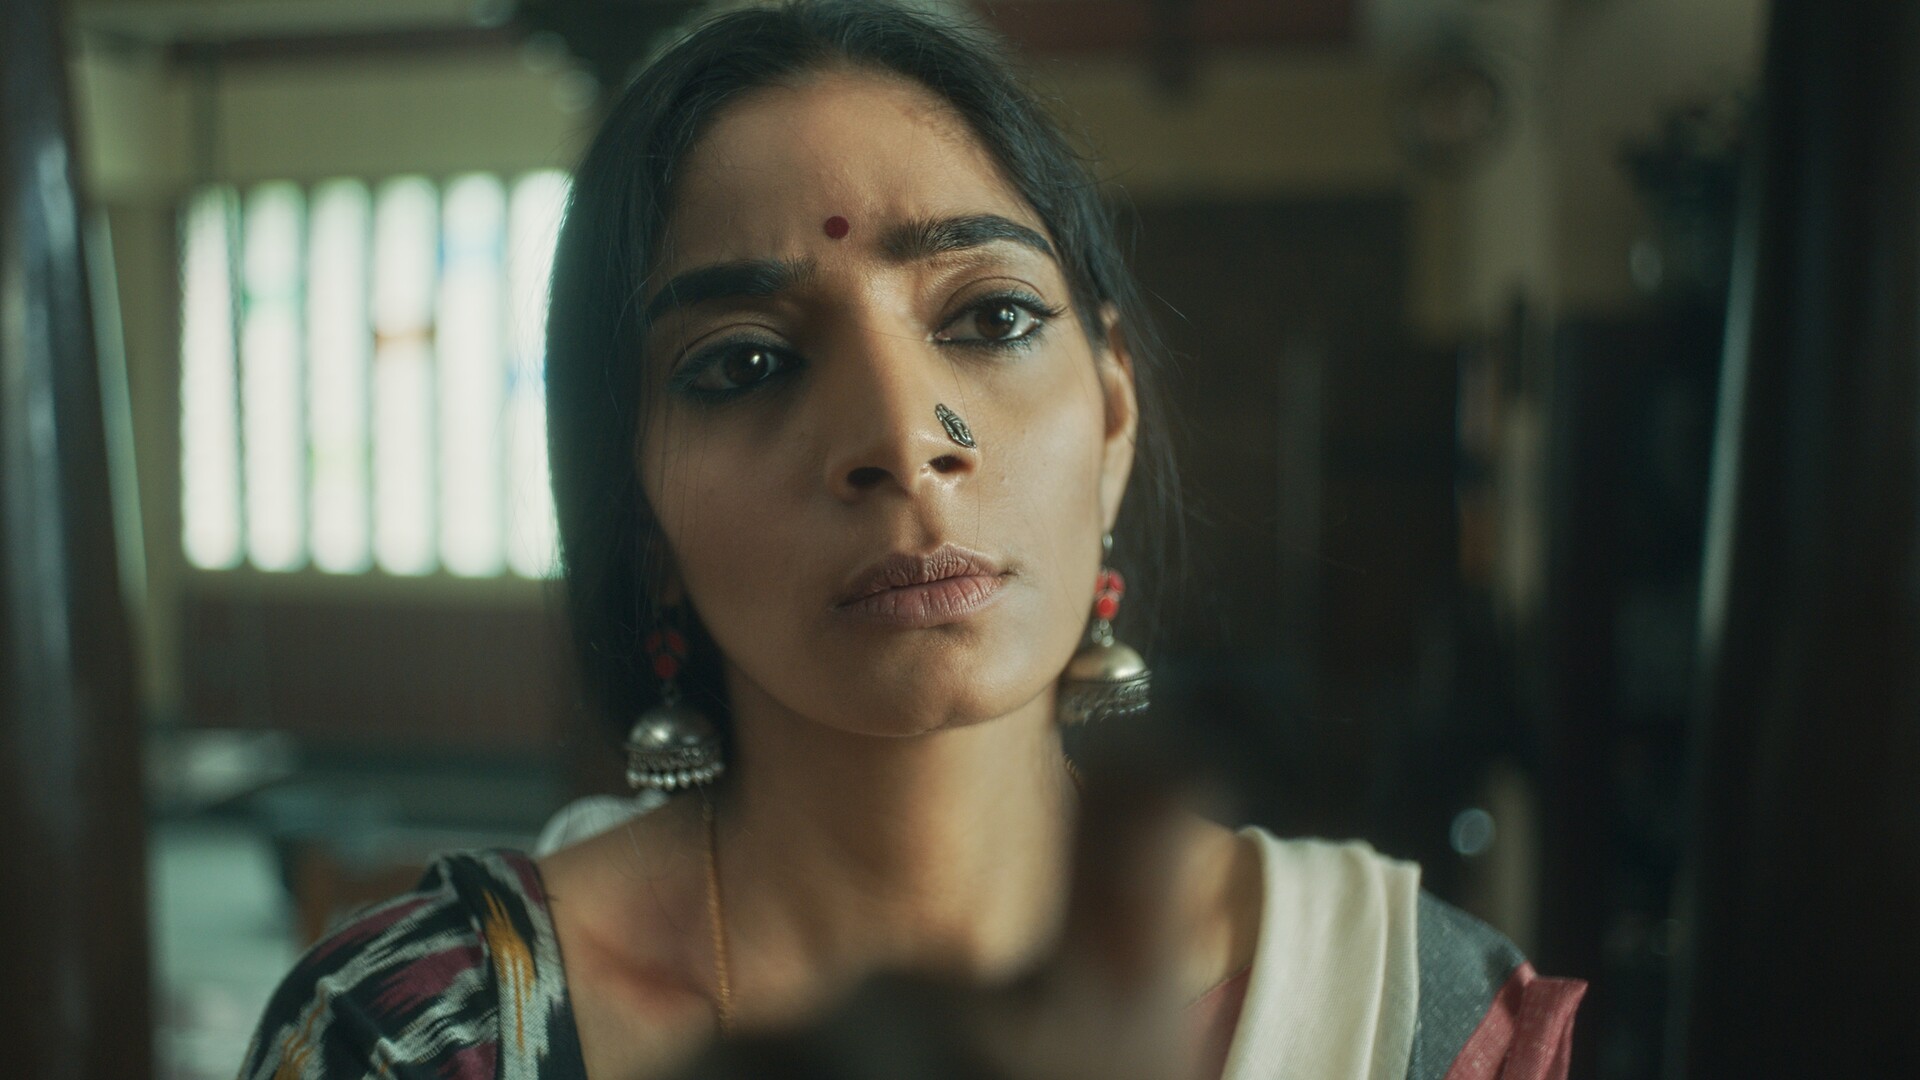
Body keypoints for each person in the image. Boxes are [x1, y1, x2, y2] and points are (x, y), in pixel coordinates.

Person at [238, 3, 1584, 1078]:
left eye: (991, 319)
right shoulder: (421, 1035)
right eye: (746, 362)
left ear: (1114, 415)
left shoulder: (1421, 1018)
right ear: (636, 511)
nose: (901, 435)